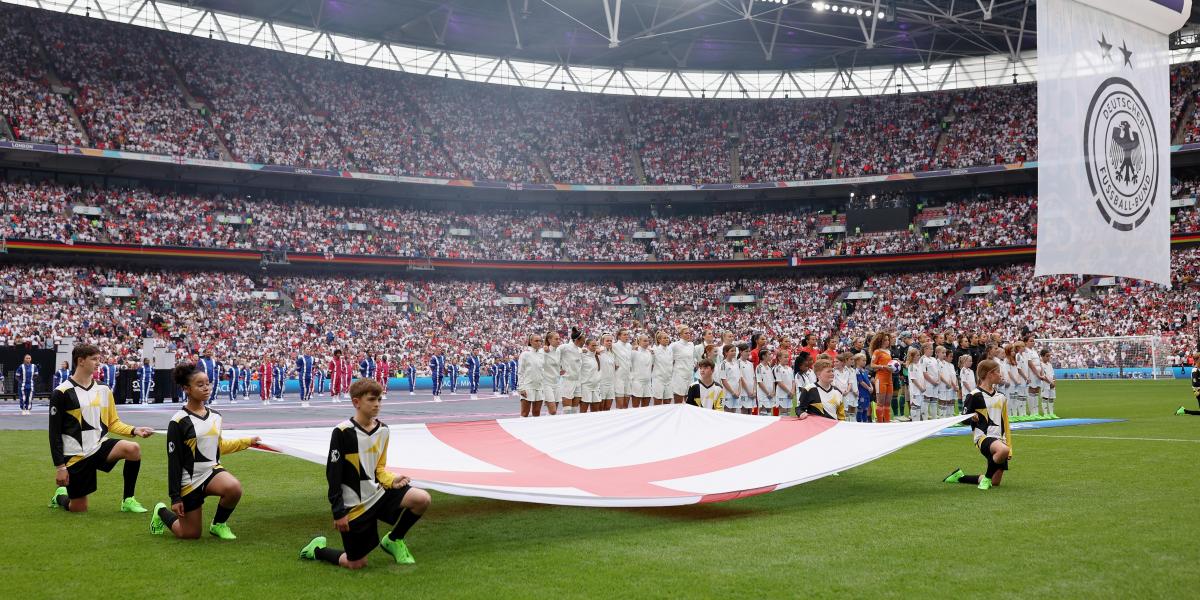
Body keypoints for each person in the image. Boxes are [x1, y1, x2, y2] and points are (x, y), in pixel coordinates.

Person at [300, 378, 432, 569]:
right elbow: (333, 474)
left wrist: (392, 479)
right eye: (371, 399)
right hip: (355, 505)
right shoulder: (342, 431)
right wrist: (339, 512)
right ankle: (316, 550)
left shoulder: (384, 430)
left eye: (379, 399)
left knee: (422, 499)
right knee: (356, 564)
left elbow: (379, 468)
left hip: (379, 493)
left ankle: (394, 539)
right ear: (356, 402)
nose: (377, 404)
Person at [150, 363, 258, 540]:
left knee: (234, 488)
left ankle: (218, 524)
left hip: (211, 472)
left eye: (208, 383)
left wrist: (247, 442)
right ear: (187, 389)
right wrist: (175, 498)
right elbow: (174, 461)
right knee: (190, 534)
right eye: (200, 385)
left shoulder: (216, 416)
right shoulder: (178, 421)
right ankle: (160, 512)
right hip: (188, 481)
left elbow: (218, 447)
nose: (206, 388)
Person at [48, 343, 154, 513]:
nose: (99, 363)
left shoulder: (104, 389)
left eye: (99, 359)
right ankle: (60, 496)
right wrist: (60, 467)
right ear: (80, 361)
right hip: (76, 456)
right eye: (94, 359)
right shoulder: (61, 392)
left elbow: (113, 423)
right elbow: (54, 434)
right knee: (78, 508)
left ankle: (128, 500)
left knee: (133, 449)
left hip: (98, 447)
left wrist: (135, 430)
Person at [943, 359, 1012, 490]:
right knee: (1002, 450)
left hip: (999, 438)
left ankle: (960, 477)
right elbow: (963, 418)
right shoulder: (974, 395)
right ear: (989, 374)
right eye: (998, 372)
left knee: (996, 481)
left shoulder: (1002, 397)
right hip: (983, 437)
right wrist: (972, 419)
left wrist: (1007, 442)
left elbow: (1004, 422)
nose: (1001, 375)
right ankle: (985, 480)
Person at [517, 334, 545, 417]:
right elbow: (520, 372)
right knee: (525, 413)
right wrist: (521, 388)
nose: (539, 343)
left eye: (540, 341)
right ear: (530, 342)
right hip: (528, 387)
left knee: (537, 413)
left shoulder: (542, 355)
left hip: (539, 387)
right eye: (536, 341)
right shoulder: (525, 354)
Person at [869, 332, 894, 423]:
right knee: (880, 403)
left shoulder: (888, 351)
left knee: (887, 403)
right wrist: (883, 367)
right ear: (880, 341)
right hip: (880, 379)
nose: (887, 342)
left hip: (889, 378)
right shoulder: (877, 351)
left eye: (888, 340)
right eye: (885, 340)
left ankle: (887, 422)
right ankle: (880, 423)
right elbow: (872, 365)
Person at [559, 327, 585, 414]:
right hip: (567, 380)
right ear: (577, 340)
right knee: (567, 409)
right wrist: (559, 369)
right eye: (583, 340)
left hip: (577, 381)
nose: (584, 342)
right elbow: (553, 354)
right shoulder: (564, 347)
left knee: (574, 409)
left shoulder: (579, 349)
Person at [669, 325, 697, 404]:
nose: (688, 335)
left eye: (689, 333)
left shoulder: (691, 345)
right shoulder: (675, 345)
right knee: (678, 402)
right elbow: (666, 354)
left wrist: (694, 363)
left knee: (689, 401)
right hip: (679, 376)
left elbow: (693, 357)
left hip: (690, 375)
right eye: (686, 333)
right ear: (680, 334)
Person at [540, 331, 562, 416]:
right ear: (549, 340)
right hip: (546, 383)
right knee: (553, 411)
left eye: (559, 339)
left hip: (557, 383)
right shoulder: (543, 351)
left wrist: (561, 369)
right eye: (556, 339)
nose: (558, 341)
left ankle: (549, 425)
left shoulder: (559, 351)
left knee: (554, 411)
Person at [629, 334, 653, 408]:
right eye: (645, 341)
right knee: (635, 408)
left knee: (645, 408)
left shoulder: (650, 353)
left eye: (648, 341)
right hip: (637, 382)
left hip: (648, 383)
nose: (647, 343)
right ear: (639, 341)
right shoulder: (634, 352)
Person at [650, 330, 673, 406]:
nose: (666, 339)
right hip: (658, 380)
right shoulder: (654, 350)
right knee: (658, 403)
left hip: (669, 380)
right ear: (659, 340)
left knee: (668, 403)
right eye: (664, 338)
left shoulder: (670, 350)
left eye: (667, 338)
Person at [579, 337, 601, 414]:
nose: (595, 347)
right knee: (583, 411)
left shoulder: (598, 355)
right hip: (586, 386)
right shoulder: (582, 355)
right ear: (587, 346)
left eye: (596, 345)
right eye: (593, 345)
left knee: (596, 411)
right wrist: (580, 350)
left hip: (596, 386)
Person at [613, 329, 633, 410]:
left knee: (626, 406)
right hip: (619, 377)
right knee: (620, 406)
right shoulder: (614, 345)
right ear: (619, 336)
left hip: (628, 377)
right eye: (624, 335)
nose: (627, 336)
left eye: (627, 334)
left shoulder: (629, 346)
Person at [905, 347, 927, 421]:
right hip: (915, 390)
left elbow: (922, 377)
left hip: (921, 390)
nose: (919, 357)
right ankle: (915, 422)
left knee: (921, 407)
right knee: (915, 406)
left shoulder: (920, 365)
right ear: (912, 357)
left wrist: (923, 386)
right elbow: (913, 379)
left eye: (919, 355)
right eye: (917, 355)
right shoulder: (911, 366)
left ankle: (920, 421)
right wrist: (920, 388)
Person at [775, 349, 798, 418]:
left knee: (788, 413)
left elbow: (793, 381)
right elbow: (779, 382)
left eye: (788, 357)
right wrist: (788, 392)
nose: (787, 359)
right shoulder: (778, 368)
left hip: (790, 394)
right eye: (785, 357)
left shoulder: (790, 368)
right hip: (782, 394)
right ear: (779, 358)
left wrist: (793, 391)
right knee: (783, 413)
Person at [755, 348, 777, 417]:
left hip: (771, 393)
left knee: (769, 411)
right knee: (763, 411)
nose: (771, 356)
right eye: (769, 354)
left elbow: (773, 380)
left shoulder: (769, 366)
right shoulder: (759, 367)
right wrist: (767, 393)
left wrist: (773, 391)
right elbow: (759, 382)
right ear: (764, 356)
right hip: (763, 394)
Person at [598, 334, 617, 411]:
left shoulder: (612, 353)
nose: (609, 342)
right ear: (602, 342)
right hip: (602, 383)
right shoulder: (599, 352)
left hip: (611, 383)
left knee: (607, 408)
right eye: (607, 341)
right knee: (600, 408)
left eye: (611, 341)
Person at [854, 353, 874, 422]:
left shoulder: (864, 370)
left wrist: (871, 387)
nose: (865, 362)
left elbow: (868, 380)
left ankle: (865, 421)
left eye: (865, 360)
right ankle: (859, 422)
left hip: (867, 393)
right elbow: (861, 382)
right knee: (860, 408)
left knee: (866, 408)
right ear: (857, 361)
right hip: (861, 392)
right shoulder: (857, 371)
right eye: (863, 360)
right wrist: (868, 388)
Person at [1040, 349, 1059, 418]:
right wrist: (1050, 383)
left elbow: (1053, 374)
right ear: (1042, 356)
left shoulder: (1049, 364)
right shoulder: (1040, 365)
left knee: (1051, 398)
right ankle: (1045, 414)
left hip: (1052, 384)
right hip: (1045, 384)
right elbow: (1043, 375)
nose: (1048, 358)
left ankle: (1051, 413)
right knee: (1045, 398)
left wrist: (1054, 382)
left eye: (1049, 356)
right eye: (1047, 356)